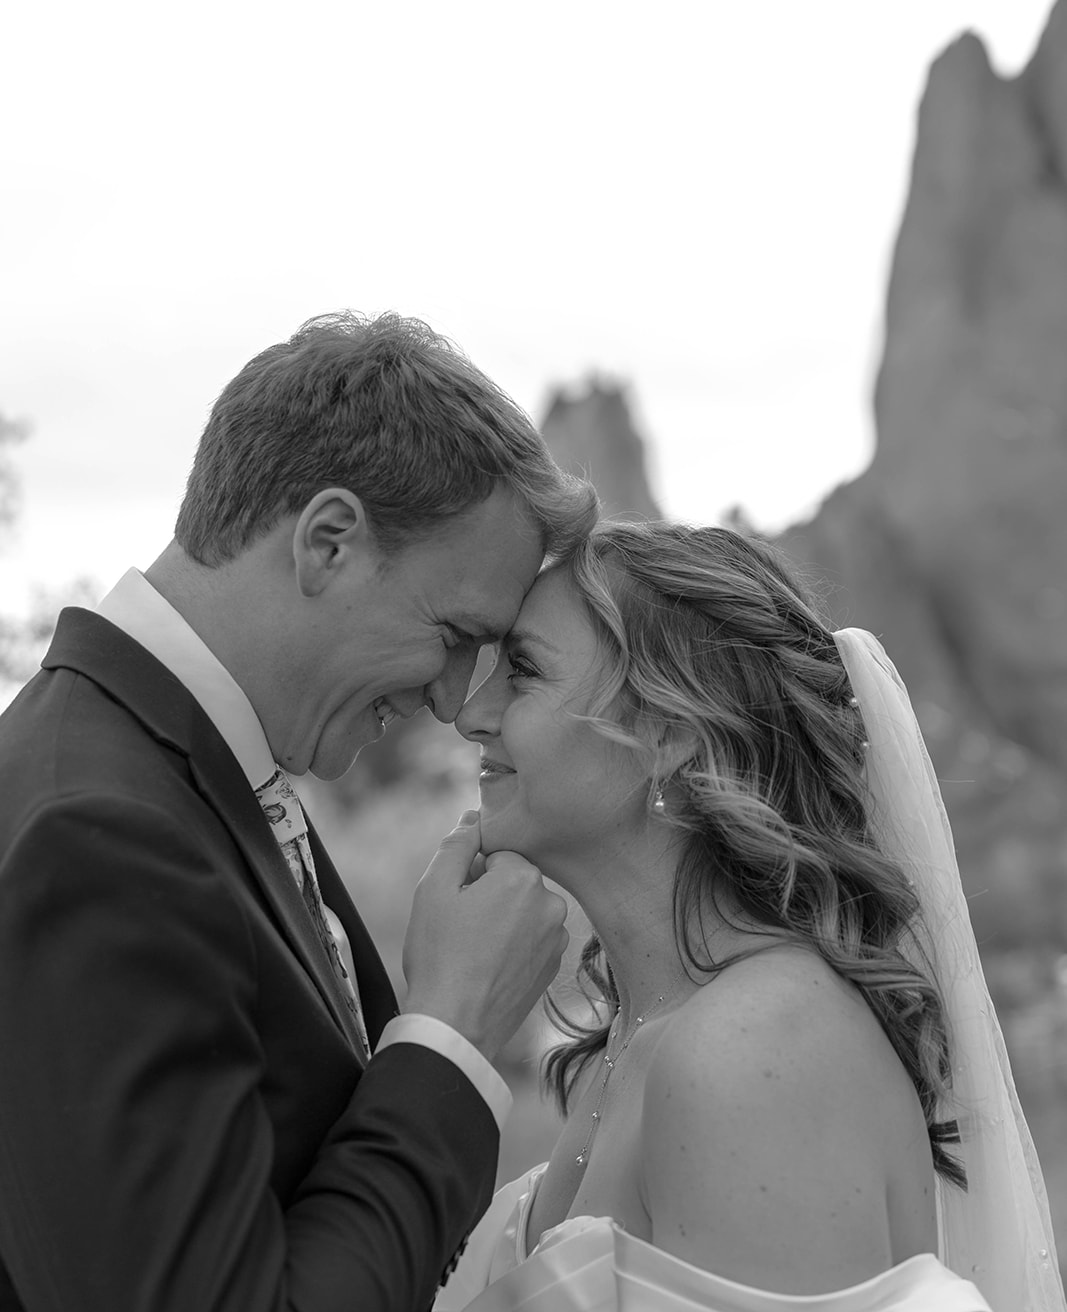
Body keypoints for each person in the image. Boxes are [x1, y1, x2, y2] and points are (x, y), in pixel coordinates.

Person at [0, 311, 599, 1312]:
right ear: (326, 541)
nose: (456, 700)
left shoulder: (187, 772)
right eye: (454, 635)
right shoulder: (97, 837)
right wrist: (448, 1034)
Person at [440, 521, 1065, 1312]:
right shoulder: (641, 1039)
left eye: (522, 672)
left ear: (667, 733)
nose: (470, 714)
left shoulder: (756, 1046)